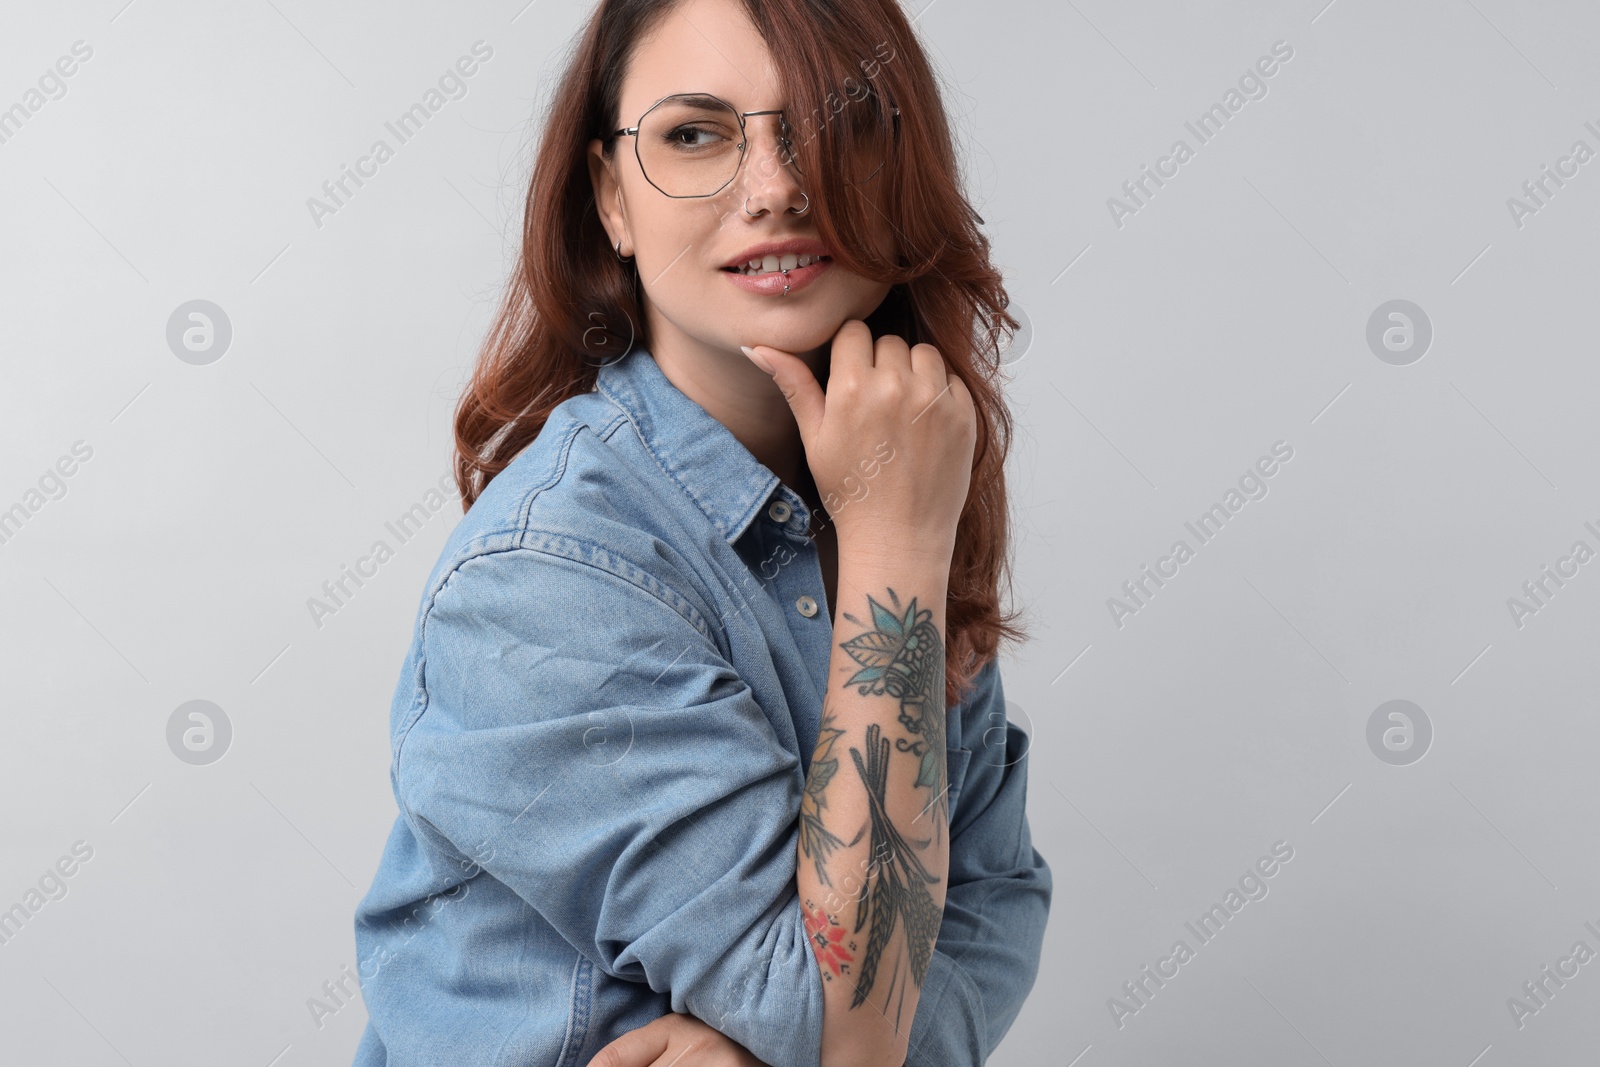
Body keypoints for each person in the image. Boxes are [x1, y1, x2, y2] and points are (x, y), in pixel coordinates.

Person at [350, 0, 1051, 1063]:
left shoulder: (885, 480)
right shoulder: (545, 573)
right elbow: (844, 1025)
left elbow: (996, 913)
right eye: (694, 133)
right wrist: (900, 554)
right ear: (610, 198)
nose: (774, 187)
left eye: (835, 122)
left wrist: (817, 1039)